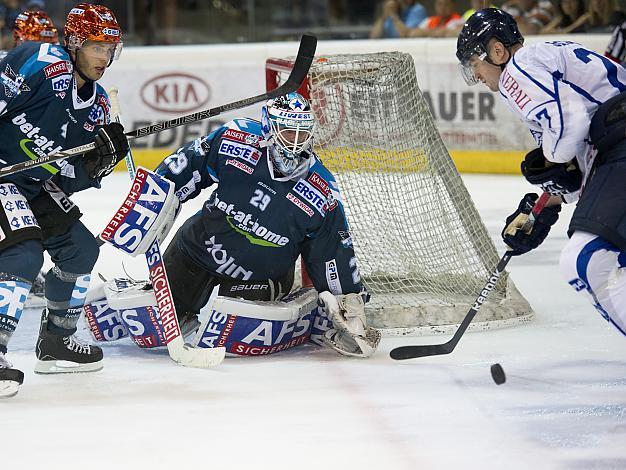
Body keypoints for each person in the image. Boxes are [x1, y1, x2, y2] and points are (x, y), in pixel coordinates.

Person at [84, 92, 381, 360]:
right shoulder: (235, 139)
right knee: (156, 327)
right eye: (288, 131)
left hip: (259, 277)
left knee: (229, 322)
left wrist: (347, 304)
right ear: (268, 129)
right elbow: (187, 166)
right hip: (195, 252)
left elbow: (332, 252)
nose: (294, 142)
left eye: (302, 134)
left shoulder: (321, 192)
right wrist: (154, 201)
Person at [456, 8, 626, 341]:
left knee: (586, 259)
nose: (476, 76)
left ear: (497, 51)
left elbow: (570, 127)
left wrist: (551, 166)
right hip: (615, 147)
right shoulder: (543, 58)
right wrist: (543, 207)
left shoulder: (517, 70)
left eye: (475, 64)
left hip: (620, 143)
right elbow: (574, 153)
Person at [0, 3, 129, 398]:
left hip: (35, 184)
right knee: (24, 255)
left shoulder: (100, 106)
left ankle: (56, 340)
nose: (104, 59)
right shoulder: (38, 62)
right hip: (2, 172)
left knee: (80, 250)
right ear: (73, 43)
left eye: (110, 49)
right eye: (96, 47)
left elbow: (67, 178)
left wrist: (98, 164)